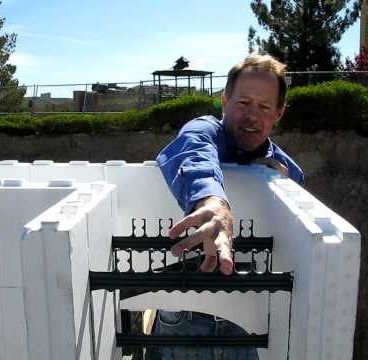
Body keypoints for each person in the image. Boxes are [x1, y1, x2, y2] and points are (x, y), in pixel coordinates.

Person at [148, 53, 304, 359]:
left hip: (249, 324)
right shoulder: (204, 131)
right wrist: (213, 203)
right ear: (224, 101)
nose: (252, 116)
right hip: (186, 318)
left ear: (279, 113)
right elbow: (195, 156)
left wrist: (275, 183)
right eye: (243, 103)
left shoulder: (289, 172)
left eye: (264, 107)